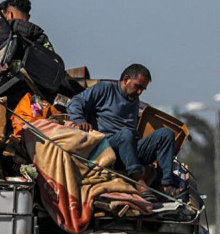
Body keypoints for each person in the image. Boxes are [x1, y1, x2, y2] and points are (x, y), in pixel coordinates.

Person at [64, 63, 180, 195]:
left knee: (165, 134)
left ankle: (165, 185)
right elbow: (75, 102)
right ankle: (139, 182)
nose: (139, 92)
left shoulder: (134, 100)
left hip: (130, 147)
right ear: (126, 80)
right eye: (138, 86)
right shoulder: (105, 89)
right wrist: (80, 120)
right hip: (109, 149)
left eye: (143, 89)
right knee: (126, 134)